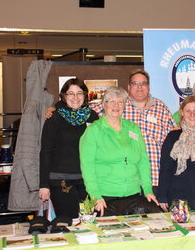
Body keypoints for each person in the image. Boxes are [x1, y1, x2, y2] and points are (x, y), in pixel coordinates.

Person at [46, 69, 175, 191]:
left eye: (143, 83)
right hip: (120, 182)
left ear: (149, 87)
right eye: (135, 83)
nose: (139, 87)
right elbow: (78, 105)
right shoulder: (116, 103)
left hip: (156, 178)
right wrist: (57, 108)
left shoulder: (161, 108)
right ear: (129, 87)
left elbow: (173, 140)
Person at [79, 86, 161, 216]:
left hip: (133, 196)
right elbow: (87, 166)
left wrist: (148, 190)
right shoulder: (93, 131)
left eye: (120, 102)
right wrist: (95, 196)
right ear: (103, 105)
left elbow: (143, 162)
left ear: (125, 105)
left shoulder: (133, 129)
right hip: (105, 199)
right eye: (111, 101)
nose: (116, 105)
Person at [38, 78, 99, 219]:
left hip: (87, 181)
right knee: (68, 221)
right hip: (61, 181)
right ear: (64, 96)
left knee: (88, 222)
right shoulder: (55, 117)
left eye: (79, 93)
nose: (76, 97)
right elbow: (45, 151)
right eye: (70, 93)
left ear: (85, 95)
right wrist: (43, 184)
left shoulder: (92, 117)